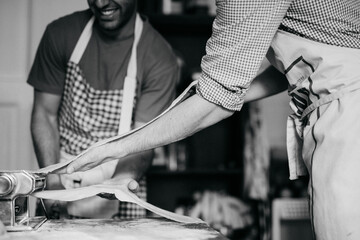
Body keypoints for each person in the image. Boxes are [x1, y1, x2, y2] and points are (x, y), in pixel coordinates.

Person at [62, 0, 359, 239]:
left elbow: (213, 102)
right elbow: (292, 70)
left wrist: (112, 148)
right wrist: (233, 90)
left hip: (349, 117)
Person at [28, 0, 179, 219]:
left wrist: (120, 183)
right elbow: (45, 114)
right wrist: (52, 183)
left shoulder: (159, 57)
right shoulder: (60, 35)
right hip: (60, 176)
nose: (100, 3)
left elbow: (144, 140)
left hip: (123, 179)